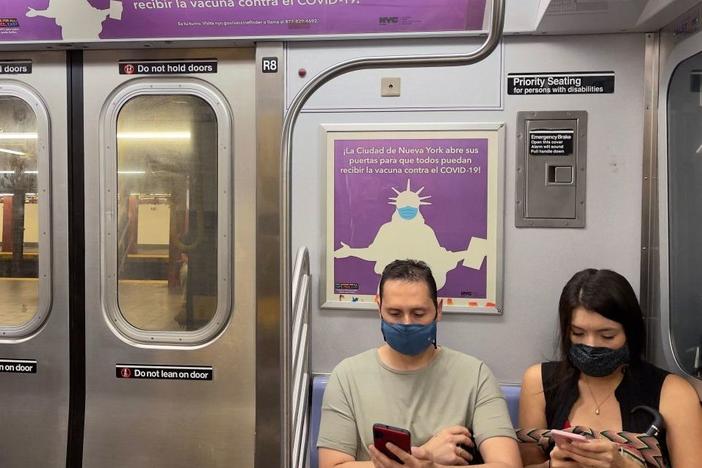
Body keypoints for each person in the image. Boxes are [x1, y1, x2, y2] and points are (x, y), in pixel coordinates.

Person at [317, 259, 521, 468]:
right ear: (379, 308)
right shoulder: (347, 376)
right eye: (395, 313)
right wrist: (425, 455)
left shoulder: (475, 375)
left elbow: (508, 464)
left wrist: (429, 466)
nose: (406, 323)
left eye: (418, 314)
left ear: (438, 310)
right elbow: (332, 465)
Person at [519, 269, 702, 468]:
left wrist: (625, 465)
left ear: (630, 333)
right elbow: (526, 462)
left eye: (607, 336)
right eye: (578, 333)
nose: (591, 345)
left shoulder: (673, 392)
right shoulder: (539, 381)